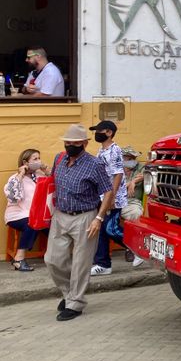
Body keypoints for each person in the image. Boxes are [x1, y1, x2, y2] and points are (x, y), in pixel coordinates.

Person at [44, 123, 113, 321]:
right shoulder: (59, 158)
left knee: (81, 263)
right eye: (67, 142)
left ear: (84, 143)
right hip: (61, 214)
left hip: (86, 216)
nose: (69, 145)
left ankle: (75, 303)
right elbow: (52, 180)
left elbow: (108, 191)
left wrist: (99, 218)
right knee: (52, 260)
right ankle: (68, 294)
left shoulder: (95, 164)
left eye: (74, 143)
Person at [4, 148, 50, 272]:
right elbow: (13, 197)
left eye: (39, 158)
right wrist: (20, 174)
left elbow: (55, 187)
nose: (38, 161)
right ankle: (19, 259)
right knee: (32, 223)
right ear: (25, 162)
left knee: (55, 227)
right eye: (35, 159)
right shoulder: (15, 178)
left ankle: (56, 257)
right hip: (17, 215)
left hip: (40, 215)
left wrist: (47, 171)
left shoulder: (40, 175)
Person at [89, 121, 125, 276]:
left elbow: (118, 173)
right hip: (103, 195)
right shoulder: (102, 150)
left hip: (113, 197)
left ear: (109, 132)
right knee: (102, 230)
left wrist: (112, 196)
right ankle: (103, 264)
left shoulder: (115, 150)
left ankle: (135, 247)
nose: (96, 133)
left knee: (111, 229)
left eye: (99, 130)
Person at [120, 145, 145, 267]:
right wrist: (130, 183)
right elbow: (114, 188)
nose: (132, 160)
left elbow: (146, 175)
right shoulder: (116, 169)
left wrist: (134, 182)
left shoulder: (140, 167)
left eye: (133, 158)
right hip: (115, 201)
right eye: (128, 158)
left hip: (132, 202)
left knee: (136, 214)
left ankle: (134, 249)